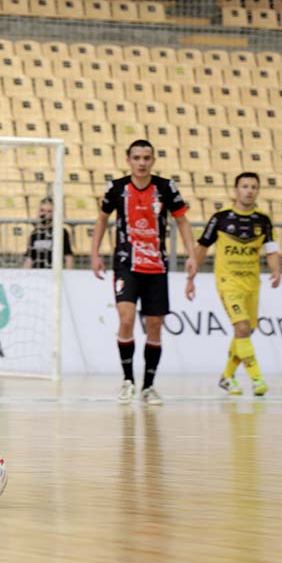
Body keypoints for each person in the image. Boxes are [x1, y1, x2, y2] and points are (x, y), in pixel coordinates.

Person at [90, 139, 197, 405]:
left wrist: (192, 255)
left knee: (154, 325)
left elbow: (182, 221)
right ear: (128, 160)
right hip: (126, 263)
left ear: (153, 161)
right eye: (136, 158)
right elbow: (102, 219)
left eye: (146, 158)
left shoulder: (165, 188)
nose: (141, 163)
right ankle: (128, 381)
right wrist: (95, 253)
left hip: (156, 265)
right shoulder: (116, 188)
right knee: (125, 319)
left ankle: (148, 386)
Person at [185, 172, 281, 396]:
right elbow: (201, 248)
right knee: (242, 327)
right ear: (235, 190)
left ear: (258, 191)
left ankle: (227, 377)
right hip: (228, 283)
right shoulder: (221, 218)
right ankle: (257, 379)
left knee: (245, 332)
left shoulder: (263, 221)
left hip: (252, 285)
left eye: (254, 187)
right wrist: (191, 278)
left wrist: (276, 270)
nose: (249, 190)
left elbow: (271, 249)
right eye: (245, 186)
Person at [22, 197, 74, 269]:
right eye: (42, 210)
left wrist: (69, 273)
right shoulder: (34, 233)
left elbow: (68, 256)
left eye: (49, 211)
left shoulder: (61, 232)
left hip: (54, 273)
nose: (44, 214)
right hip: (37, 274)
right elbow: (29, 258)